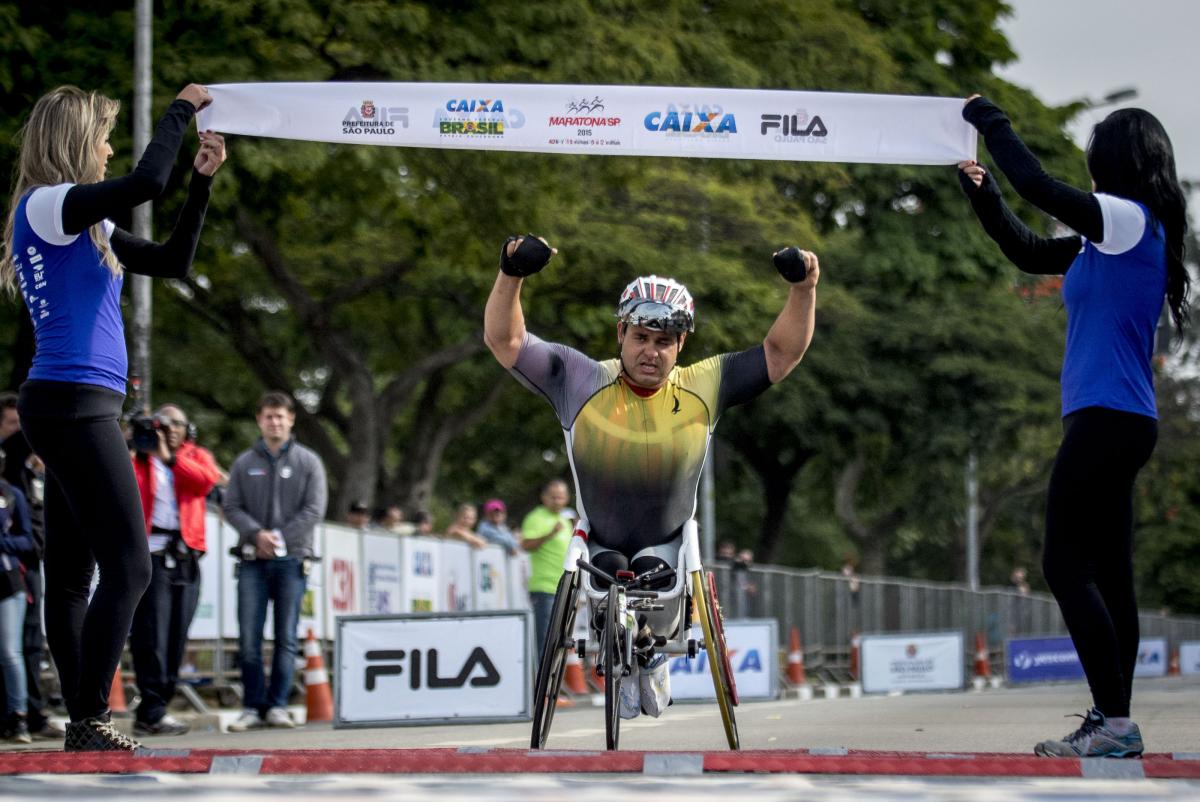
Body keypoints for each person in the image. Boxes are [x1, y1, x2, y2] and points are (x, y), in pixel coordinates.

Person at [485, 233, 818, 717]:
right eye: (641, 338)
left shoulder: (704, 384)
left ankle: (653, 649)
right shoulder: (579, 380)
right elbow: (505, 340)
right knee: (613, 565)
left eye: (664, 342)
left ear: (681, 343)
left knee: (649, 572)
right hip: (599, 543)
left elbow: (780, 354)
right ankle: (617, 645)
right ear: (621, 333)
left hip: (669, 544)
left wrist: (804, 289)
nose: (651, 352)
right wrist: (511, 274)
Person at [958, 95, 1188, 758]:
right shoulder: (1105, 242)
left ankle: (1114, 721)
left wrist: (990, 121)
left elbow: (1039, 186)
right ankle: (1113, 721)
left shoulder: (1128, 221)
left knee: (1063, 562)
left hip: (1108, 417)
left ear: (1115, 164)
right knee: (1110, 575)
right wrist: (983, 193)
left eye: (1093, 158)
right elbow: (1027, 251)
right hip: (1117, 417)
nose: (1086, 169)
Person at [0, 83, 224, 751]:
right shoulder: (49, 206)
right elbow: (149, 180)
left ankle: (82, 723)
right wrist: (180, 111)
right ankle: (92, 720)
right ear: (73, 141)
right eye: (102, 136)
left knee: (73, 579)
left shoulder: (85, 222)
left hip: (71, 404)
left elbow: (174, 262)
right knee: (130, 566)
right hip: (72, 405)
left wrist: (202, 183)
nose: (107, 148)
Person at [223, 392, 328, 732]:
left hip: (293, 560)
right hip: (252, 560)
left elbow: (314, 509)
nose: (275, 422)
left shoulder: (308, 462)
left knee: (286, 637)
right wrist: (257, 535)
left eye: (281, 416)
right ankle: (252, 706)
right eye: (269, 416)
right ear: (260, 420)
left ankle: (278, 706)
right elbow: (231, 506)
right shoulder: (243, 463)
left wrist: (279, 538)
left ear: (292, 419)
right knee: (249, 638)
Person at [129, 403, 220, 737]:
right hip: (150, 556)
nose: (169, 429)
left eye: (176, 424)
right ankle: (151, 708)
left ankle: (158, 706)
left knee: (176, 637)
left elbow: (204, 483)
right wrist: (133, 439)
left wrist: (169, 455)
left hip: (186, 557)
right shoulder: (137, 459)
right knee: (151, 635)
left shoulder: (195, 456)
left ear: (187, 429)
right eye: (163, 424)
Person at [0, 448, 35, 743]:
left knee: (10, 651)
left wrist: (3, 542)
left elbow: (28, 540)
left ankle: (19, 714)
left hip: (7, 581)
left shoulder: (12, 496)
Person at [519, 479, 573, 662]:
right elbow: (526, 544)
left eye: (561, 497)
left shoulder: (565, 521)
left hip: (564, 588)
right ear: (544, 497)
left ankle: (551, 685)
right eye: (553, 497)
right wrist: (550, 534)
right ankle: (538, 686)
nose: (557, 501)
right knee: (544, 639)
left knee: (559, 640)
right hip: (544, 588)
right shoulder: (536, 517)